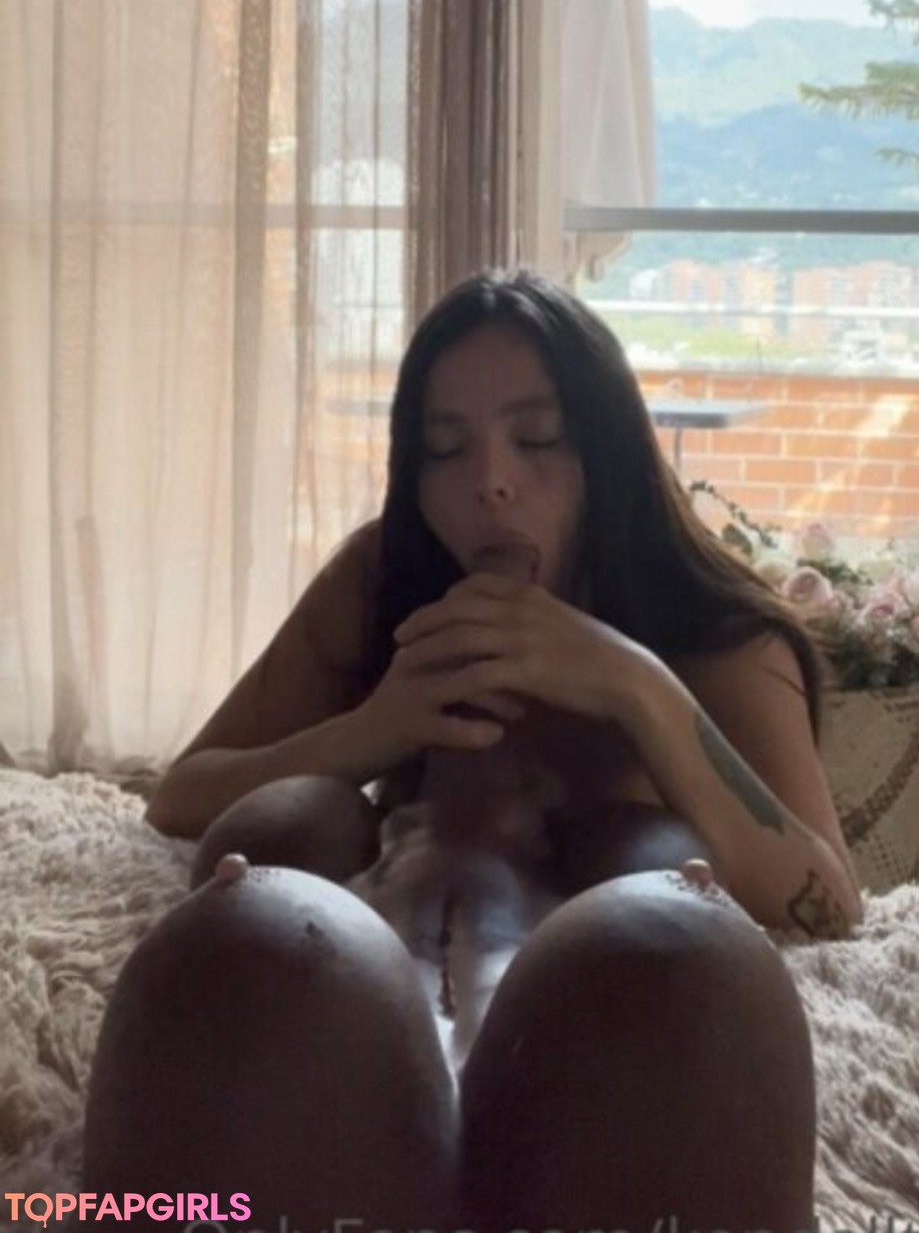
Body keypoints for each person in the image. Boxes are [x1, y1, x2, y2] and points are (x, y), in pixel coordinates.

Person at [82, 269, 862, 1233]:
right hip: (351, 1023)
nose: (490, 479)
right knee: (291, 840)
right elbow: (179, 794)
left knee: (675, 937)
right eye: (446, 448)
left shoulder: (715, 639)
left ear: (609, 453)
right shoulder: (388, 582)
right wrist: (374, 727)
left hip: (609, 1072)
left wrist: (639, 690)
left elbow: (829, 896)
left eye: (538, 438)